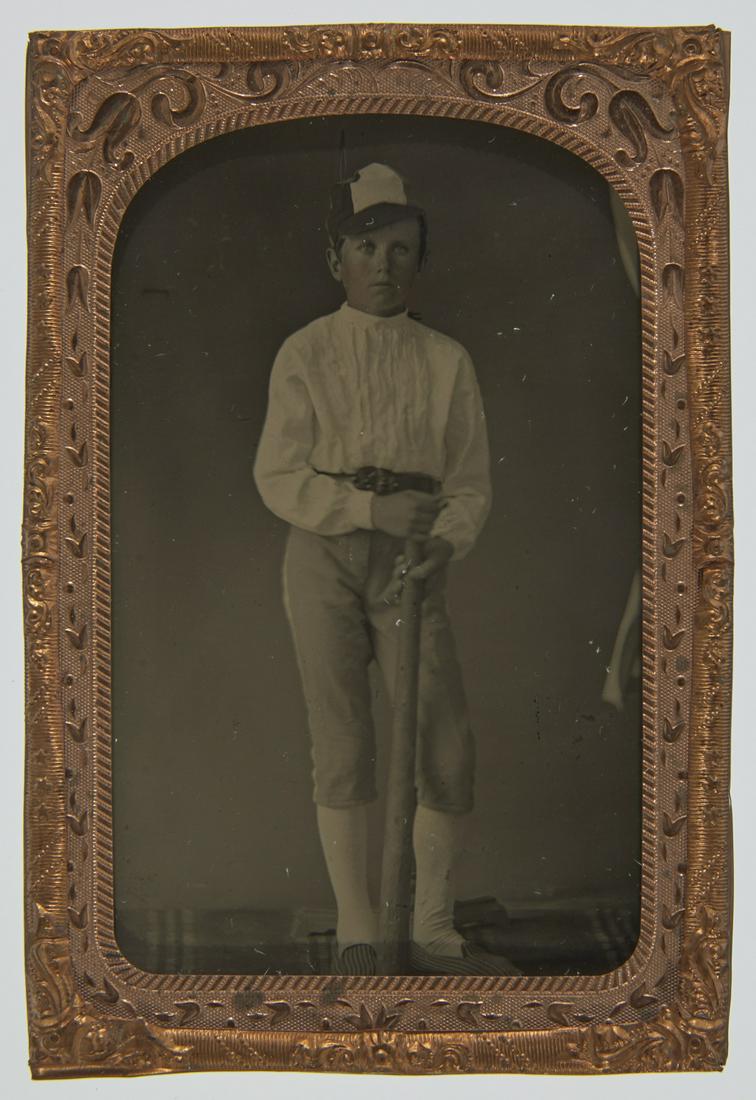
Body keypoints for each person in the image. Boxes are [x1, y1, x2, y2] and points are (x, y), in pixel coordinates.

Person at [254, 162, 516, 976]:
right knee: (343, 740)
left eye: (402, 249)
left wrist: (445, 542)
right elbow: (278, 477)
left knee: (443, 740)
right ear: (337, 259)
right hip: (326, 556)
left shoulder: (446, 361)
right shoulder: (305, 352)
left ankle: (432, 921)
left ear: (418, 259)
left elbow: (469, 482)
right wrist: (368, 511)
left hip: (412, 562)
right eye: (367, 246)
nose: (384, 265)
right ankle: (360, 922)